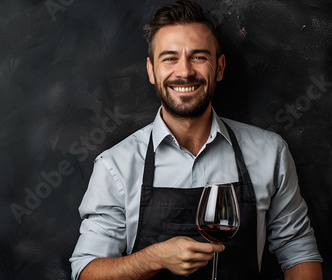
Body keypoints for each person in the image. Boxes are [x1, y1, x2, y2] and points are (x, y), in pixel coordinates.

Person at [69, 1, 323, 279]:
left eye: (199, 57)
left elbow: (299, 252)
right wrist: (154, 258)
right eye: (169, 58)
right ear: (151, 70)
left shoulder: (270, 152)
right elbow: (87, 271)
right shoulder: (116, 165)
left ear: (220, 68)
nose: (185, 71)